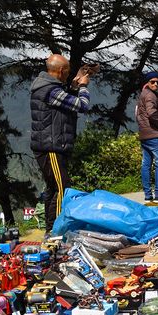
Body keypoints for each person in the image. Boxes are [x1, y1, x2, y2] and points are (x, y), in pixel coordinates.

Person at [30, 54, 94, 234]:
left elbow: (64, 103)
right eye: (67, 70)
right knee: (62, 189)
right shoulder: (51, 91)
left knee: (52, 188)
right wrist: (82, 86)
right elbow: (82, 105)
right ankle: (57, 231)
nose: (68, 73)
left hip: (48, 146)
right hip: (52, 147)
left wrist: (73, 86)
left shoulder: (46, 87)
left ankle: (51, 230)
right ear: (60, 70)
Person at [135, 71, 158, 202]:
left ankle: (148, 194)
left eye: (157, 82)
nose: (155, 84)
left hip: (144, 134)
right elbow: (152, 113)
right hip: (154, 134)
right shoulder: (150, 96)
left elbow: (139, 115)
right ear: (147, 83)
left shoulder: (142, 95)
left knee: (146, 164)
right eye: (152, 82)